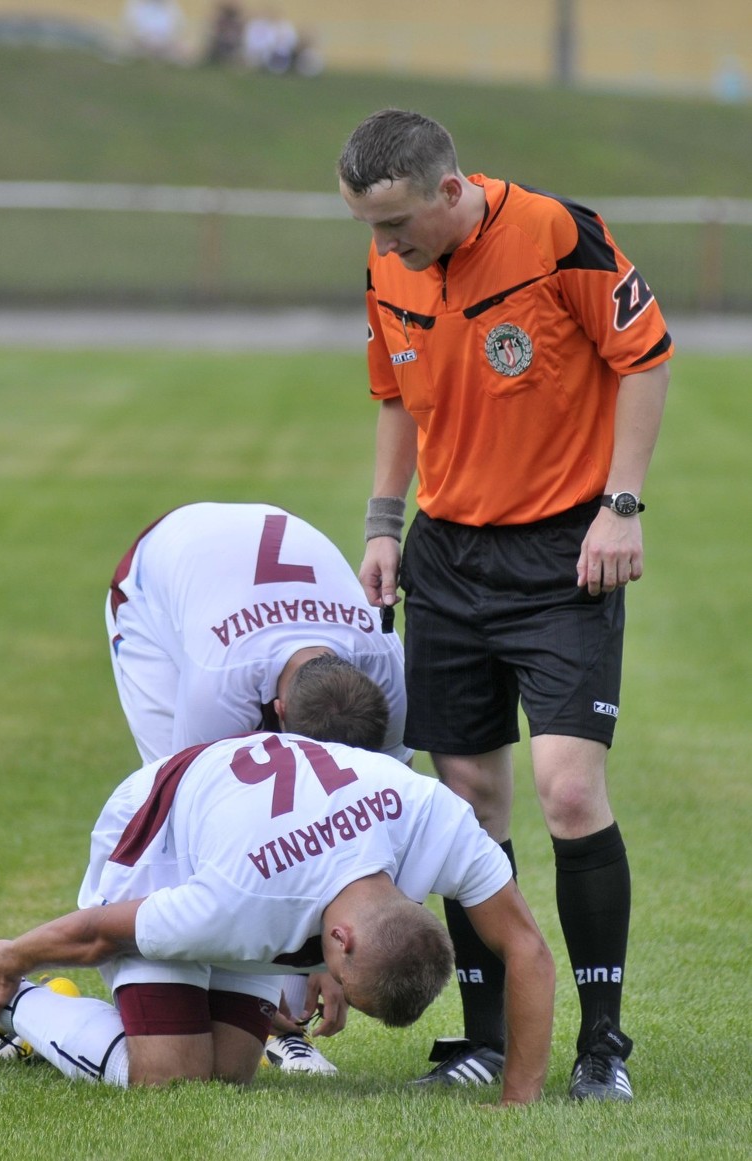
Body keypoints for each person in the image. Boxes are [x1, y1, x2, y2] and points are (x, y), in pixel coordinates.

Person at [337, 108, 673, 1102]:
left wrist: (621, 509)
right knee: (470, 807)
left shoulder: (560, 234)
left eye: (397, 224)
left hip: (564, 557)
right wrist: (383, 524)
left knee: (569, 790)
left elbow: (645, 357)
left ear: (450, 190)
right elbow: (397, 397)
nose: (386, 245)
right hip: (446, 559)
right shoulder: (386, 264)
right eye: (369, 226)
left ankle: (601, 1045)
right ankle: (486, 1038)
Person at [0, 666, 555, 1105]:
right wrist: (9, 956)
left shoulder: (437, 820)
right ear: (341, 938)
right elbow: (95, 936)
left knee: (227, 1075)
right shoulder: (241, 902)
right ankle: (14, 1005)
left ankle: (67, 1024)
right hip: (160, 839)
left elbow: (527, 950)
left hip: (254, 845)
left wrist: (518, 1101)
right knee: (170, 1080)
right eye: (348, 983)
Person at [105, 500, 411, 1072]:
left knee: (317, 824)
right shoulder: (217, 687)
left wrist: (324, 951)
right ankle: (185, 1001)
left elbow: (371, 814)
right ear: (276, 711)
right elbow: (198, 827)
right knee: (201, 818)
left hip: (244, 576)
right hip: (152, 590)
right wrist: (296, 956)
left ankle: (270, 1010)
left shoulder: (388, 672)